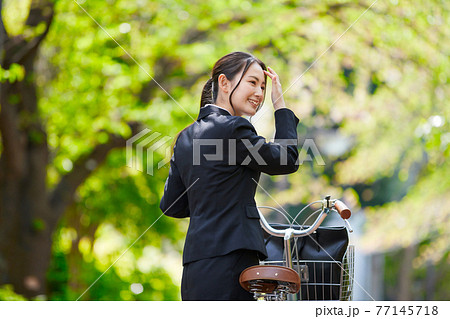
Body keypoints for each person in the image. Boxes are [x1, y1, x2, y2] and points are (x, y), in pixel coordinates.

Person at [159, 51, 299, 300]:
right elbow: (287, 160)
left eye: (264, 87)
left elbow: (172, 205)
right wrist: (280, 106)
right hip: (232, 259)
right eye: (252, 82)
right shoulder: (235, 128)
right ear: (224, 83)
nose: (259, 93)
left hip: (195, 266)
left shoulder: (185, 137)